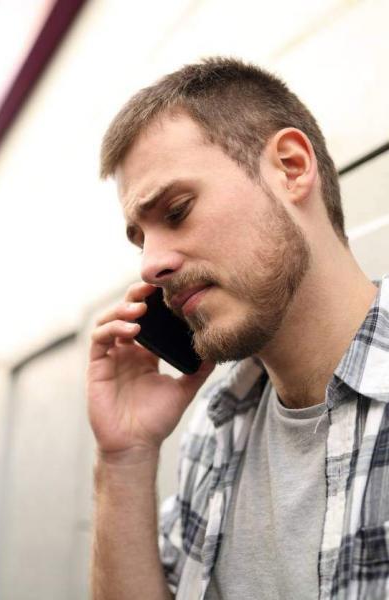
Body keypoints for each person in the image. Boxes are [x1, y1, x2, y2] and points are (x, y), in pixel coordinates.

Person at [86, 56, 389, 600]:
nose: (151, 265)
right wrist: (124, 459)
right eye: (141, 239)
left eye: (176, 211)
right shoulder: (220, 427)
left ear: (292, 168)